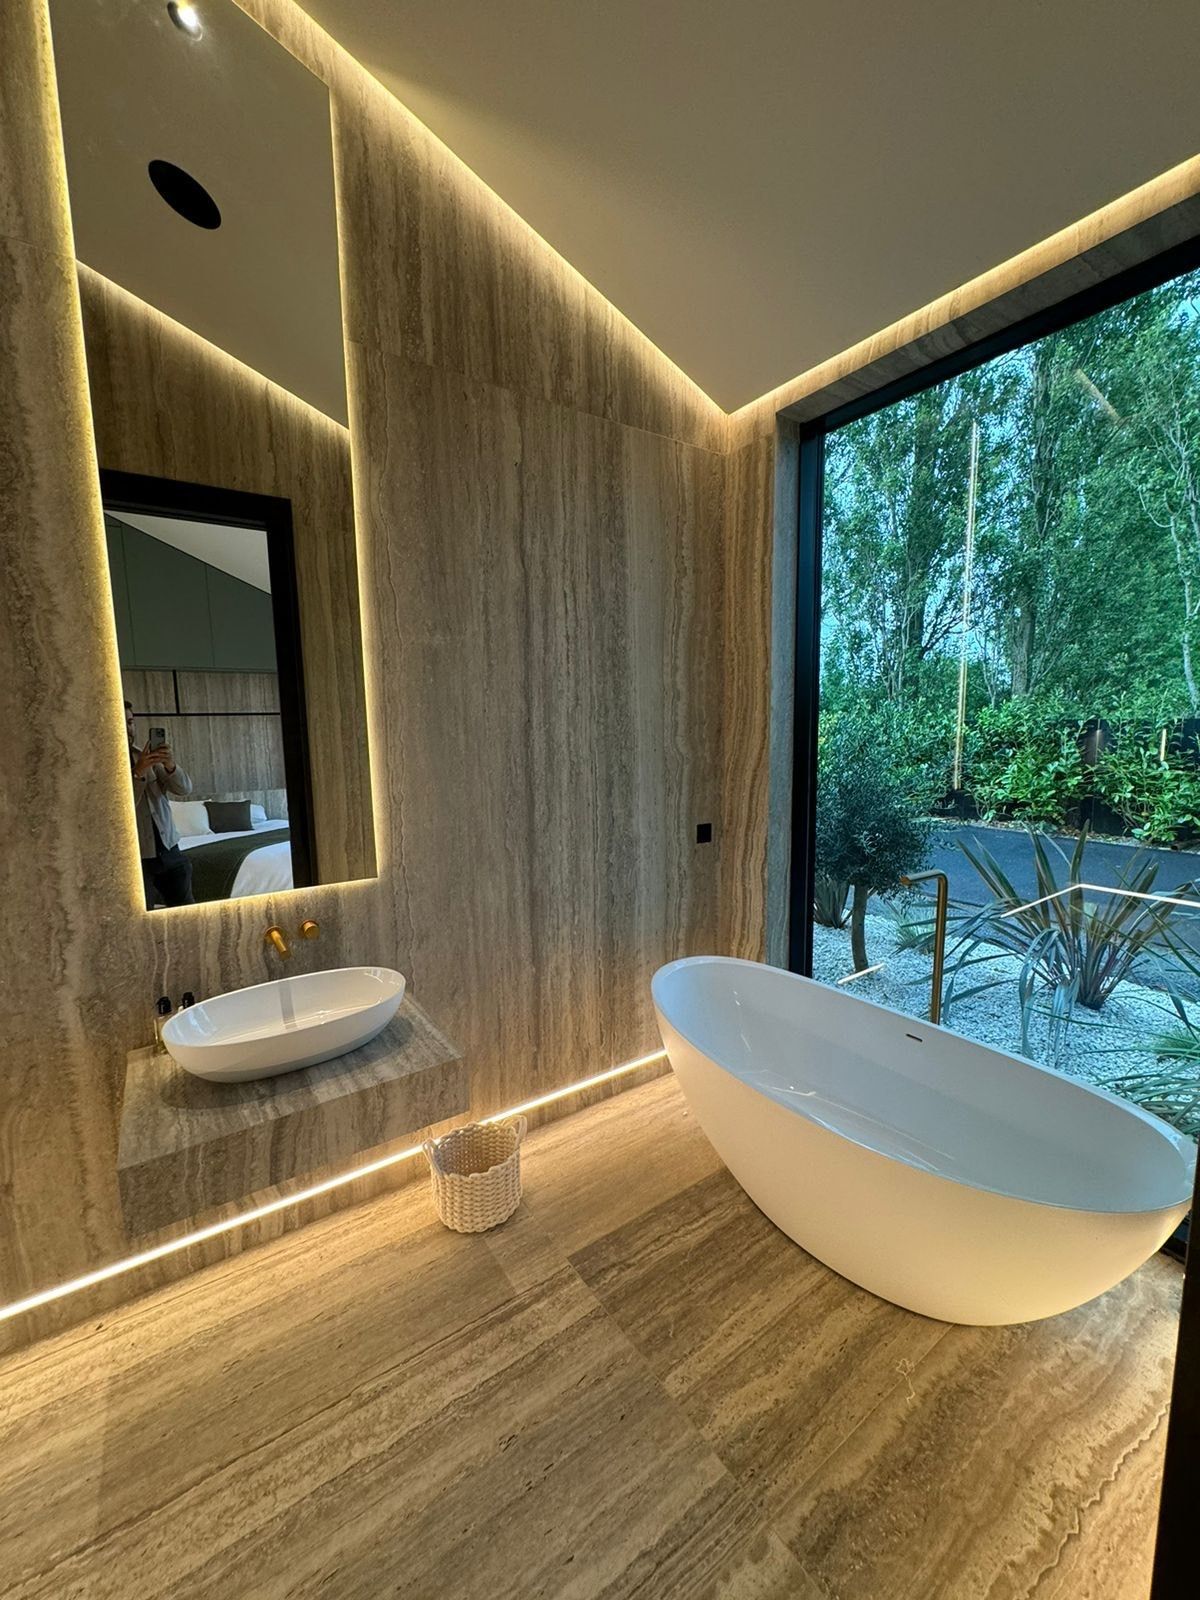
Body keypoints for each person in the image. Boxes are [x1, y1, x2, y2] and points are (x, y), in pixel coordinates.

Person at [126, 700, 196, 908]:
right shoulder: (103, 765)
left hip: (169, 849)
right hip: (137, 857)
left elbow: (184, 790)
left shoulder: (147, 756)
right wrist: (138, 772)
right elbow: (120, 809)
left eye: (131, 722)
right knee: (142, 917)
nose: (128, 728)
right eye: (122, 723)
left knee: (187, 912)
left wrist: (170, 764)